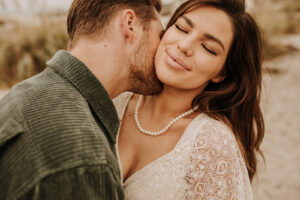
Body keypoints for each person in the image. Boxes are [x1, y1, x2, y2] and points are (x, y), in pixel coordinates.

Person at [0, 0, 164, 199]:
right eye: (160, 35)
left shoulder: (24, 93)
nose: (164, 48)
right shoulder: (85, 162)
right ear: (130, 23)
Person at [114, 0, 265, 199]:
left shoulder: (213, 145)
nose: (184, 46)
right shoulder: (115, 99)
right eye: (182, 28)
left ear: (222, 72)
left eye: (208, 48)